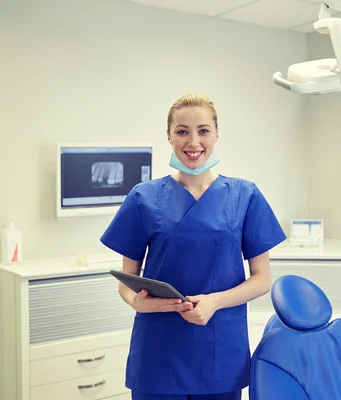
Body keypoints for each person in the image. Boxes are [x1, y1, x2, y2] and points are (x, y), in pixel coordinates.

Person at [100, 94, 287, 400]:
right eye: (182, 131)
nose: (193, 141)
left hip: (219, 346)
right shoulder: (143, 197)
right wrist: (136, 301)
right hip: (158, 348)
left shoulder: (245, 195)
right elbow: (126, 280)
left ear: (216, 134)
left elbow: (262, 279)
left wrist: (214, 302)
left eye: (203, 130)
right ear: (169, 137)